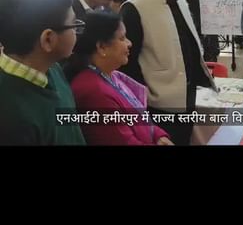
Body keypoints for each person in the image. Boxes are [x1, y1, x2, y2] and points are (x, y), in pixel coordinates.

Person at [120, 0, 216, 146]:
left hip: (187, 97)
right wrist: (144, 100)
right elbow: (127, 63)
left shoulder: (181, 1)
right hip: (157, 104)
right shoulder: (134, 7)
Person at [64, 10, 173, 146]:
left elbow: (140, 117)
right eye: (122, 38)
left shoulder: (111, 76)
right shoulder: (94, 92)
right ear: (102, 47)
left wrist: (158, 136)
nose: (129, 43)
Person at [0, 0, 85, 145]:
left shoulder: (52, 68)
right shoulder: (10, 115)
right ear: (48, 39)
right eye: (74, 25)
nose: (76, 31)